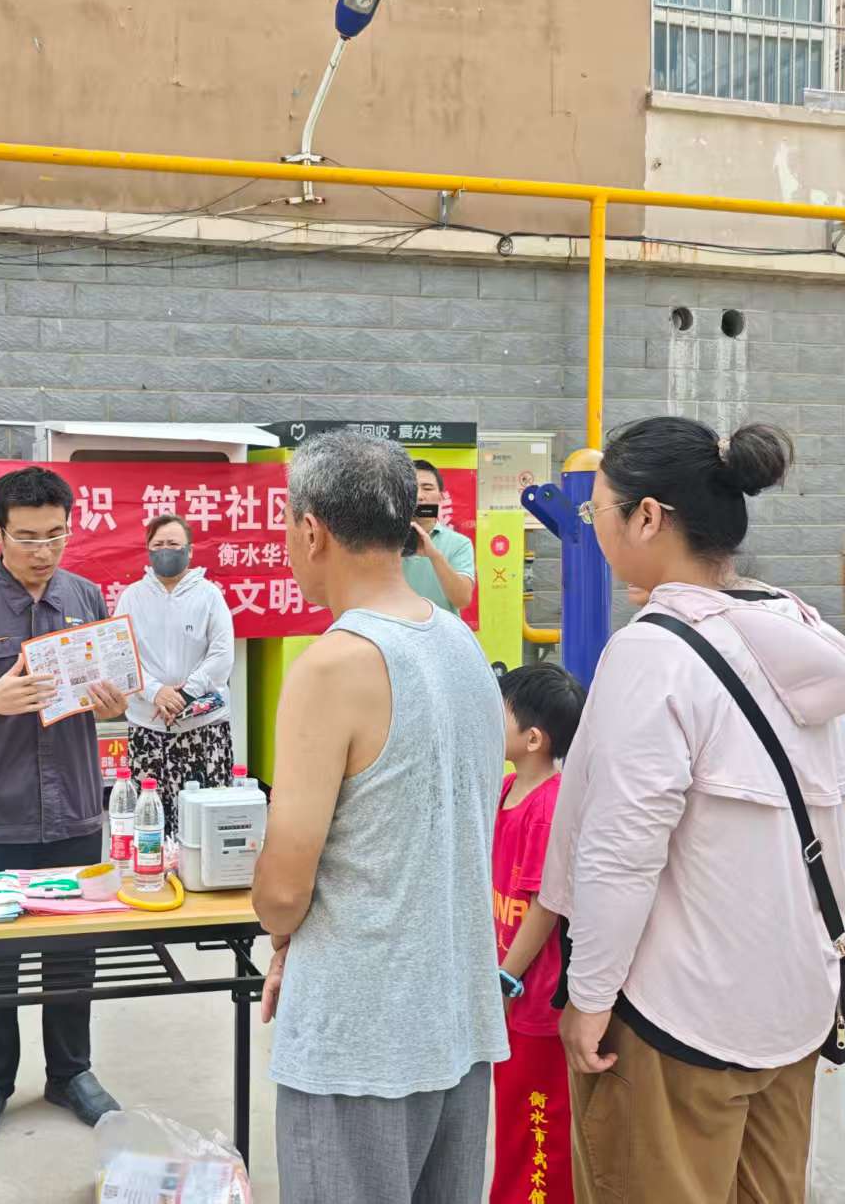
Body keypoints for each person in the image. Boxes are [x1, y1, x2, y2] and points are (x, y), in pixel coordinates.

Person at [540, 417, 845, 1203]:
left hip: (673, 1020)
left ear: (648, 517)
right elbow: (840, 822)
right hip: (791, 1011)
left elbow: (620, 851)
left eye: (599, 509)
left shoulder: (652, 652)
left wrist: (590, 996)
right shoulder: (801, 633)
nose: (596, 526)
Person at [253, 429, 508, 1204]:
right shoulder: (462, 644)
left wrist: (281, 930)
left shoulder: (333, 664)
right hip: (456, 1017)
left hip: (358, 1036)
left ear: (311, 530)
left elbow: (283, 890)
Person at [0, 466, 129, 1151]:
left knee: (72, 954)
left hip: (74, 807)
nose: (44, 550)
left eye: (56, 534)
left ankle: (70, 1072)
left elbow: (113, 693)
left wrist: (114, 702)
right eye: (29, 537)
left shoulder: (85, 596)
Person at [491, 662, 584, 1204]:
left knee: (537, 1127)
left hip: (534, 1002)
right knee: (512, 1124)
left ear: (533, 739)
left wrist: (505, 978)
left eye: (500, 713)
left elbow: (544, 908)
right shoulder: (507, 789)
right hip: (510, 996)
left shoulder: (547, 809)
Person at [114, 513, 236, 836]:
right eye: (158, 545)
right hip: (147, 728)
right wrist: (156, 692)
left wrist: (184, 694)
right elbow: (121, 656)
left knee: (205, 829)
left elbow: (222, 655)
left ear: (190, 551)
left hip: (204, 728)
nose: (166, 550)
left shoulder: (209, 595)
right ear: (148, 550)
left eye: (173, 543)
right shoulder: (131, 597)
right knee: (151, 827)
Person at [400, 459, 476, 614]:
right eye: (412, 488)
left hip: (441, 629)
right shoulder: (384, 540)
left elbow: (462, 600)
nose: (419, 496)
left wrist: (434, 556)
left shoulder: (460, 543)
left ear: (441, 497)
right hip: (395, 628)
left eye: (427, 488)